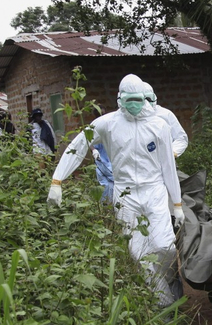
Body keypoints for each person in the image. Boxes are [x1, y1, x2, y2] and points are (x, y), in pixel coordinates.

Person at [47, 74, 185, 308]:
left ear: (145, 99)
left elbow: (168, 168)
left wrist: (178, 205)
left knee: (165, 246)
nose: (134, 104)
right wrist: (57, 181)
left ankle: (171, 279)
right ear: (120, 99)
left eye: (138, 99)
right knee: (139, 254)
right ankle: (165, 305)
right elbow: (77, 147)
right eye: (129, 99)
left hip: (155, 191)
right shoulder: (107, 124)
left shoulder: (159, 125)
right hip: (125, 195)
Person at [91, 81, 189, 204]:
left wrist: (171, 153)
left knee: (168, 199)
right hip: (135, 171)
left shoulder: (165, 115)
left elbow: (181, 138)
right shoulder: (125, 117)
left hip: (163, 166)